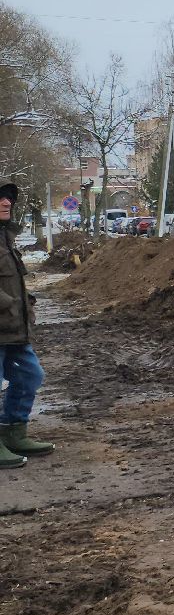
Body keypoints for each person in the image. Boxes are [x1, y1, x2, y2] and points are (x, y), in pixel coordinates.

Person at [0, 183, 51, 469]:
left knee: (30, 376)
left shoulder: (5, 238)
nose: (6, 202)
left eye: (8, 198)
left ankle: (12, 431)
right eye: (0, 198)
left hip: (14, 330)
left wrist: (24, 305)